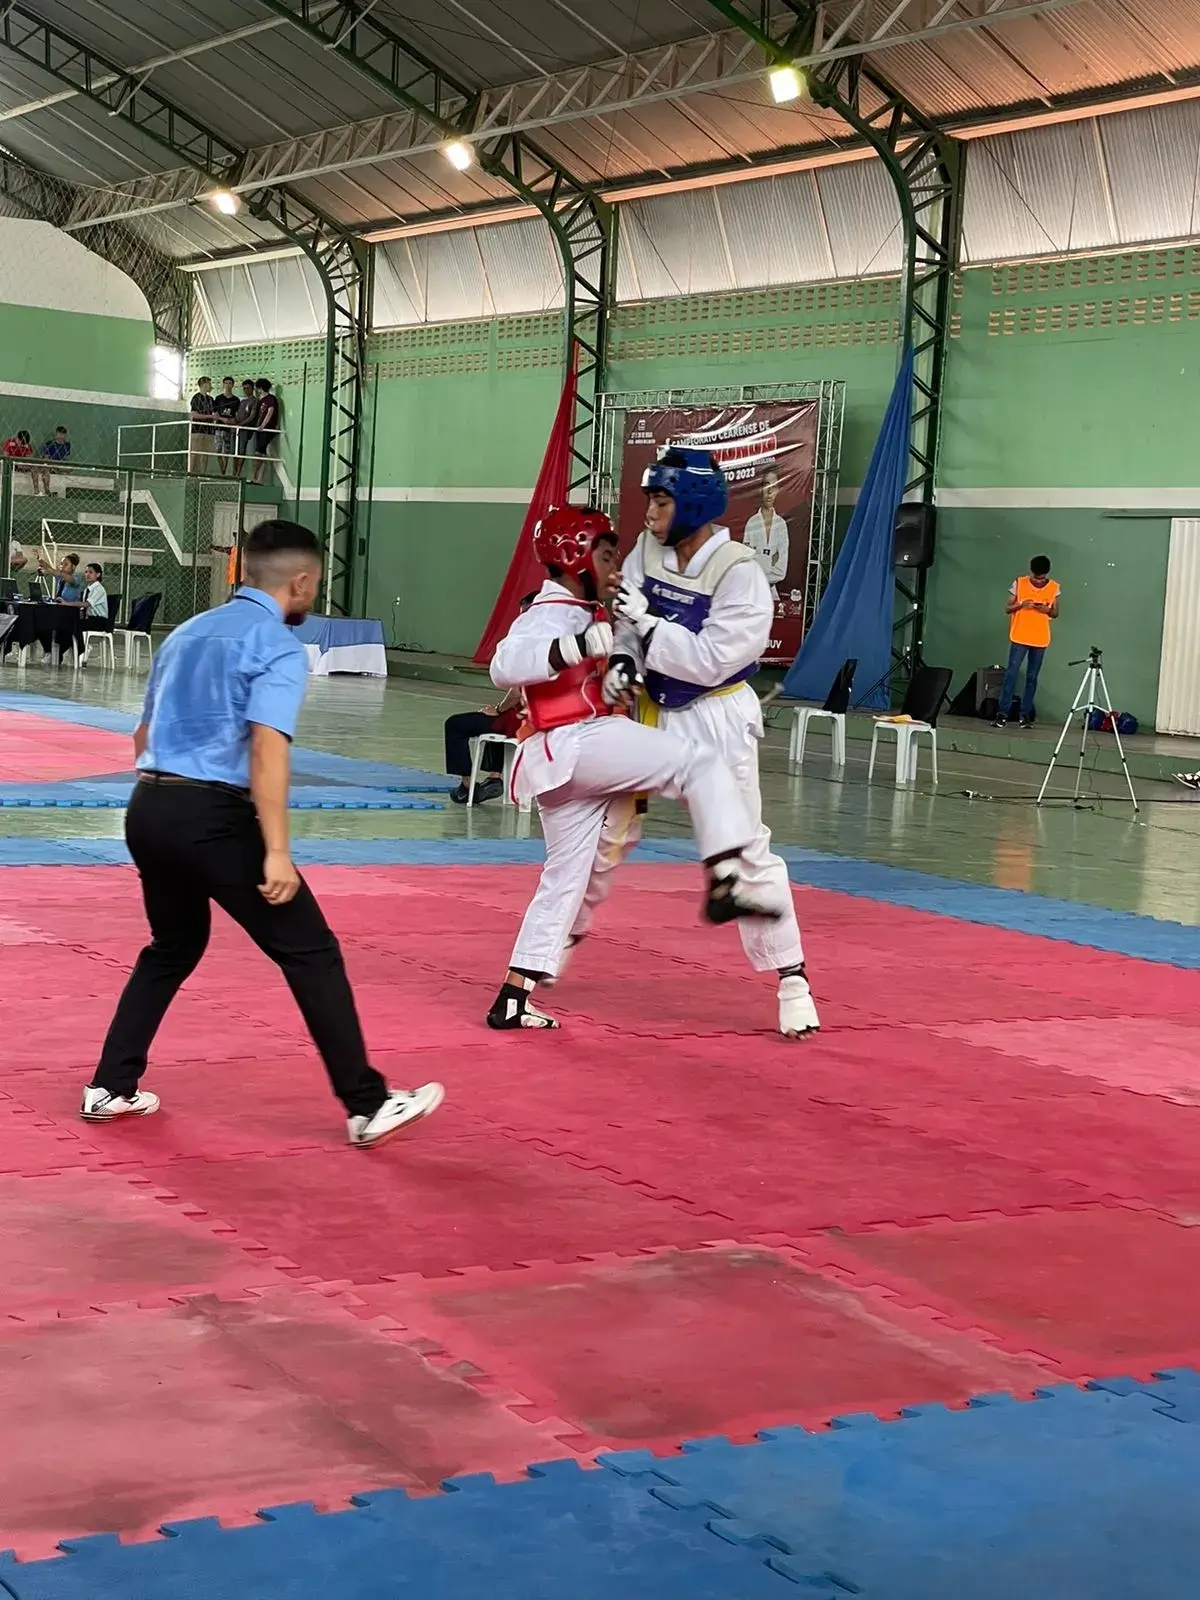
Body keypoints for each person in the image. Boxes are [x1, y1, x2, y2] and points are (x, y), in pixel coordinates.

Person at [80, 519, 444, 1148]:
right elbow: (268, 750)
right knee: (311, 950)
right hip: (212, 819)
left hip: (148, 809)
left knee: (172, 947)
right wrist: (276, 850)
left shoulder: (186, 633)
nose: (314, 596)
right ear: (300, 582)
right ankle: (367, 1103)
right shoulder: (273, 644)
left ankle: (111, 1085)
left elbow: (141, 739)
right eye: (315, 586)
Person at [485, 504, 783, 1032]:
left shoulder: (595, 614)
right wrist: (573, 647)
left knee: (565, 881)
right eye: (604, 555)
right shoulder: (550, 612)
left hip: (566, 765)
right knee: (698, 763)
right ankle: (724, 880)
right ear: (573, 558)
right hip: (578, 743)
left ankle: (514, 993)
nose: (614, 566)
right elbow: (503, 665)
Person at [589, 447, 819, 1040]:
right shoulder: (647, 550)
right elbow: (625, 619)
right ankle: (540, 959)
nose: (650, 514)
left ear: (690, 503)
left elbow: (713, 660)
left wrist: (646, 625)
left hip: (716, 715)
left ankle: (792, 979)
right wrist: (622, 656)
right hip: (651, 712)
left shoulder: (740, 572)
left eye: (661, 502)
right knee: (603, 831)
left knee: (744, 849)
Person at [445, 594, 535, 804]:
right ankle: (495, 776)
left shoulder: (528, 643)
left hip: (524, 718)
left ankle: (468, 785)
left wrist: (499, 708)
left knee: (458, 724)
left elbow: (517, 693)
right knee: (496, 721)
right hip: (548, 717)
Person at [993, 555, 1060, 729]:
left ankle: (1025, 715)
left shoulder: (1054, 588)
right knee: (1011, 675)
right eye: (1037, 577)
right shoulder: (1019, 583)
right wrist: (1021, 604)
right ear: (1032, 571)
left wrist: (1046, 610)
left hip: (1040, 638)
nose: (1040, 580)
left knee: (1032, 678)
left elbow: (1055, 613)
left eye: (1042, 577)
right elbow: (1007, 608)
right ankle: (1002, 714)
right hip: (1020, 636)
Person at [743, 466, 789, 594]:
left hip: (771, 593)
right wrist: (771, 560)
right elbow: (747, 564)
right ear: (760, 489)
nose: (769, 492)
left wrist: (759, 558)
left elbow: (781, 572)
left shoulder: (781, 525)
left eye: (774, 486)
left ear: (778, 489)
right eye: (766, 485)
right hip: (752, 591)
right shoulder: (752, 523)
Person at [77, 562, 110, 666]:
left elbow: (87, 604)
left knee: (75, 624)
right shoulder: (88, 589)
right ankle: (80, 647)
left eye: (90, 572)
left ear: (98, 575)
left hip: (99, 621)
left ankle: (84, 648)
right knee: (70, 623)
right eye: (86, 572)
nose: (87, 574)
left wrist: (67, 603)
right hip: (90, 619)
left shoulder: (99, 589)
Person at [252, 379, 280, 484]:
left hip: (267, 429)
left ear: (260, 388)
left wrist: (263, 425)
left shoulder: (270, 399)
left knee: (260, 453)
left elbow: (270, 412)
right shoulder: (260, 400)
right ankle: (256, 478)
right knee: (259, 453)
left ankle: (258, 478)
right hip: (260, 429)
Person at [212, 378, 240, 475]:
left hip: (229, 428)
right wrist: (217, 421)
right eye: (226, 383)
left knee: (226, 450)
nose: (228, 385)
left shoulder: (236, 400)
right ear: (223, 385)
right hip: (219, 428)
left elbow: (237, 415)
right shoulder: (218, 398)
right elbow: (215, 413)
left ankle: (224, 468)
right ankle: (222, 469)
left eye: (230, 383)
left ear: (233, 385)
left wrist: (233, 423)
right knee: (217, 450)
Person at [189, 376, 215, 474]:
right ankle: (191, 473)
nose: (211, 386)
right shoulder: (196, 397)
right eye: (209, 383)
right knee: (194, 453)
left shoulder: (211, 399)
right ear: (204, 384)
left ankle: (203, 473)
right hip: (197, 430)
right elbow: (194, 414)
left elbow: (214, 414)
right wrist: (210, 416)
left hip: (208, 430)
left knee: (205, 454)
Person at [33, 425, 70, 495]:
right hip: (49, 463)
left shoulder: (67, 445)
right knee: (46, 469)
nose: (61, 436)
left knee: (69, 468)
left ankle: (57, 470)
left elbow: (65, 458)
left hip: (59, 464)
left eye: (63, 435)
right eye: (59, 434)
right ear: (56, 434)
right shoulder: (49, 444)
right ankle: (47, 490)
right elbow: (46, 458)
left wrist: (60, 465)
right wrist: (53, 465)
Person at [234, 380, 259, 478]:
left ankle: (238, 473)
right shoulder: (243, 401)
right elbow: (238, 415)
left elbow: (252, 417)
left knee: (241, 450)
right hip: (237, 429)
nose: (246, 390)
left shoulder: (255, 401)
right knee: (235, 451)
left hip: (246, 429)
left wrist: (241, 424)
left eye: (248, 388)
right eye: (244, 388)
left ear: (252, 389)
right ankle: (234, 472)